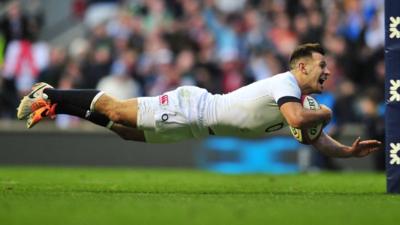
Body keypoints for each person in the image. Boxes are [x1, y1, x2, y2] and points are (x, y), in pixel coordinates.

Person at [17, 43, 381, 158]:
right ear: (301, 66)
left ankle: (58, 106)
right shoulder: (286, 84)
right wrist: (328, 110)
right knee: (115, 108)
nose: (327, 73)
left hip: (196, 126)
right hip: (192, 108)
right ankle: (48, 93)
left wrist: (347, 152)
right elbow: (302, 122)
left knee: (126, 132)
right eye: (321, 66)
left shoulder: (298, 98)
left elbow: (315, 136)